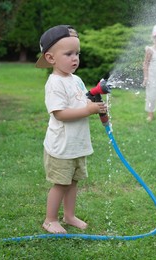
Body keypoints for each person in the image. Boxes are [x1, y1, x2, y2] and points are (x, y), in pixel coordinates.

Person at [35, 25, 107, 234]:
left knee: (73, 182)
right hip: (61, 146)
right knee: (60, 184)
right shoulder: (55, 83)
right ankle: (50, 220)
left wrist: (95, 101)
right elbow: (60, 114)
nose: (75, 58)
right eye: (68, 54)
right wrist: (89, 110)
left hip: (76, 144)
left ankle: (69, 215)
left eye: (77, 53)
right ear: (50, 58)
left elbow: (82, 101)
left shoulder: (76, 79)